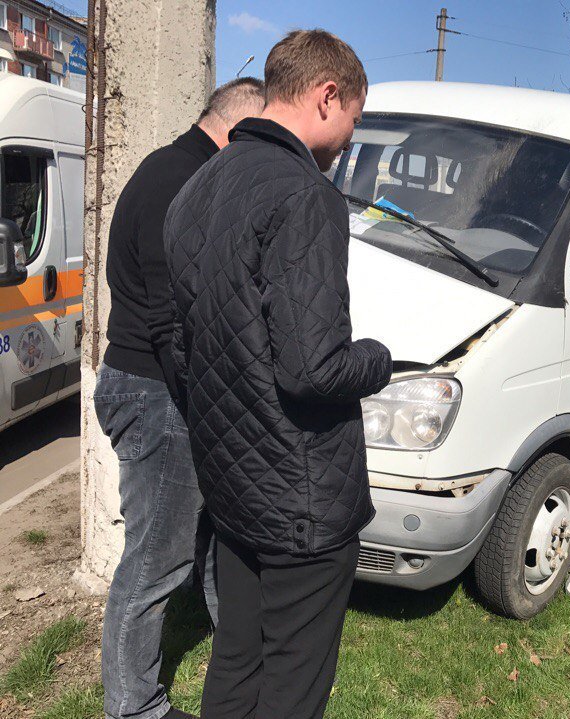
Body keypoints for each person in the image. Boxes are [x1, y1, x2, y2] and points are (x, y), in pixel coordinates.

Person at [165, 30, 392, 719]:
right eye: (355, 117)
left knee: (237, 656)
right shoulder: (305, 196)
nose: (352, 137)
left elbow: (181, 346)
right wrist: (379, 359)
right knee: (293, 685)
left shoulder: (197, 187)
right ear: (327, 96)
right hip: (303, 504)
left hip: (231, 485)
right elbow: (311, 367)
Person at [94, 78, 266, 719]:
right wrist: (209, 406)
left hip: (165, 392)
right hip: (156, 394)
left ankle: (244, 659)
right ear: (237, 131)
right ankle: (132, 705)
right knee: (156, 563)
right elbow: (174, 325)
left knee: (218, 543)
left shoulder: (184, 170)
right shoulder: (177, 180)